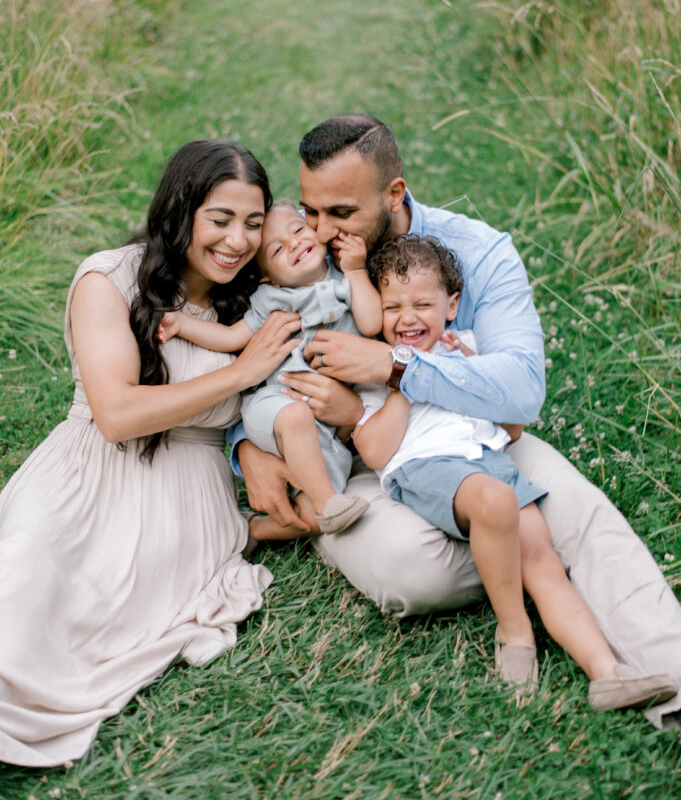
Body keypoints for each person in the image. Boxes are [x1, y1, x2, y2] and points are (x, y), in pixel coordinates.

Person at [235, 112, 681, 730]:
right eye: (310, 210)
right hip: (352, 463)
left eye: (340, 213)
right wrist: (246, 448)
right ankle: (509, 562)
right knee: (410, 572)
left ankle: (667, 679)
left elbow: (521, 393)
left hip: (465, 436)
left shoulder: (478, 252)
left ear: (395, 194)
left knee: (579, 512)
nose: (319, 230)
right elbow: (246, 361)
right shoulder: (299, 257)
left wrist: (395, 365)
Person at [0, 139, 303, 767]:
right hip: (84, 477)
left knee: (97, 615)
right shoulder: (109, 278)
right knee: (22, 577)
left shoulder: (253, 298)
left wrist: (252, 446)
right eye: (220, 221)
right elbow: (116, 415)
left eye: (253, 223)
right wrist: (239, 373)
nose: (238, 241)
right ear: (180, 210)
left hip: (183, 504)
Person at [352, 233, 676, 708]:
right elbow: (377, 452)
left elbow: (514, 425)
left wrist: (465, 372)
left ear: (452, 304)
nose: (407, 318)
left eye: (422, 303)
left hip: (487, 461)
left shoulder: (468, 348)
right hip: (424, 466)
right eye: (392, 306)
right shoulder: (373, 367)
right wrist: (405, 377)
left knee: (543, 562)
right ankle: (515, 631)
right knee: (494, 501)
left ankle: (606, 673)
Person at [158, 198, 381, 534]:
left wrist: (356, 272)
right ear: (268, 278)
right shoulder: (272, 301)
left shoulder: (345, 280)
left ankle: (255, 531)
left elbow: (371, 323)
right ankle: (327, 502)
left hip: (325, 428)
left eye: (298, 230)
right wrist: (181, 324)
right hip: (275, 404)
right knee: (296, 418)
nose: (294, 244)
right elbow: (231, 337)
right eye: (278, 250)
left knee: (310, 515)